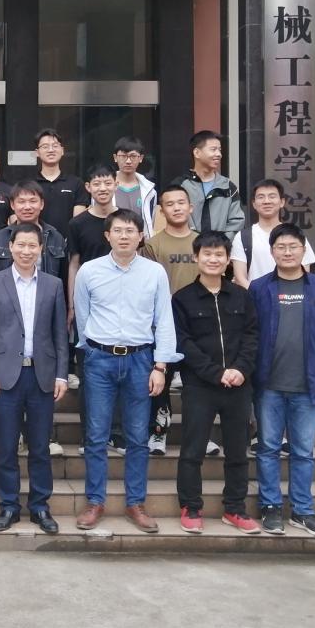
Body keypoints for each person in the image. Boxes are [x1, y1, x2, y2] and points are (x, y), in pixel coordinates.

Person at [73, 209, 180, 533]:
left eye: (130, 230)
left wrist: (160, 365)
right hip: (100, 359)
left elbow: (164, 319)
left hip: (140, 360)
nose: (124, 236)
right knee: (96, 435)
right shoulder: (89, 271)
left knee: (137, 436)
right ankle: (95, 502)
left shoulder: (154, 272)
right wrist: (92, 349)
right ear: (107, 235)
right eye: (117, 230)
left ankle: (136, 503)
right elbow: (82, 316)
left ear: (140, 236)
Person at [249, 224, 315, 538]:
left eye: (293, 247)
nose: (287, 252)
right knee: (268, 448)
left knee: (303, 451)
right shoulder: (259, 287)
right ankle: (271, 506)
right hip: (268, 384)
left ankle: (302, 510)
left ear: (304, 250)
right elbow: (251, 334)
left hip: (309, 384)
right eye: (281, 247)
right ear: (271, 251)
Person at [0, 223, 68, 534]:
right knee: (6, 446)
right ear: (10, 247)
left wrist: (62, 375)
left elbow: (60, 335)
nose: (26, 251)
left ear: (41, 249)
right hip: (6, 376)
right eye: (21, 245)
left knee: (40, 447)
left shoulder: (54, 285)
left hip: (42, 375)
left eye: (32, 246)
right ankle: (8, 505)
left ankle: (40, 506)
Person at [173, 232, 260, 534]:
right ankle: (190, 506)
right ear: (196, 258)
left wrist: (240, 369)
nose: (213, 259)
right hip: (200, 386)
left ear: (227, 259)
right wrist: (214, 372)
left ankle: (235, 508)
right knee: (192, 450)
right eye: (207, 254)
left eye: (219, 254)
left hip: (238, 385)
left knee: (237, 451)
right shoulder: (182, 298)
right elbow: (183, 342)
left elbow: (252, 336)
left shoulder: (242, 296)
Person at [141, 184, 201, 457]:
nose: (176, 208)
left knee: (197, 384)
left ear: (191, 207)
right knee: (160, 381)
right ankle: (158, 433)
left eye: (181, 202)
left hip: (198, 324)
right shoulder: (153, 245)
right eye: (170, 204)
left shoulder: (202, 242)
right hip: (163, 324)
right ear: (162, 211)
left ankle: (199, 436)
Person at [66, 163, 118, 451]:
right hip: (89, 303)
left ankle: (117, 433)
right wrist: (72, 303)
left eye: (107, 182)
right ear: (87, 188)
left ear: (115, 185)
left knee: (121, 370)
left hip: (121, 305)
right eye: (96, 183)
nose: (102, 188)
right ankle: (90, 435)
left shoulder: (126, 220)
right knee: (89, 370)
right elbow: (74, 264)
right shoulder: (78, 223)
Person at [231, 179, 315, 287]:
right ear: (254, 204)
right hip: (254, 296)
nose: (266, 201)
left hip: (289, 295)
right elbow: (240, 278)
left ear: (282, 202)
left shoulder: (295, 235)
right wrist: (258, 294)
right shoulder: (243, 237)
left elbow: (305, 272)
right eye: (261, 197)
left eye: (272, 196)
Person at [173, 130, 245, 237]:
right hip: (187, 245)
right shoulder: (180, 185)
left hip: (220, 246)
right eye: (213, 149)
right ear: (197, 153)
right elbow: (173, 217)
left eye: (220, 150)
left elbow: (237, 222)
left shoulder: (228, 186)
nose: (219, 154)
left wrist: (220, 242)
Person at [0, 180, 66, 279]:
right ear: (12, 205)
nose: (27, 207)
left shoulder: (56, 238)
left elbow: (62, 279)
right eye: (21, 202)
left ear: (42, 204)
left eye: (33, 201)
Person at [33, 128, 88, 239]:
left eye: (55, 146)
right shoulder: (30, 184)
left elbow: (78, 222)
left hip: (67, 244)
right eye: (45, 147)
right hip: (35, 243)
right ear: (37, 153)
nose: (51, 150)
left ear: (62, 150)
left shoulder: (76, 183)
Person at [112, 136, 158, 237]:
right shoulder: (106, 188)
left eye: (133, 156)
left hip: (140, 242)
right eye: (123, 156)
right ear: (115, 157)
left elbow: (150, 223)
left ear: (140, 158)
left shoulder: (150, 191)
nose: (128, 161)